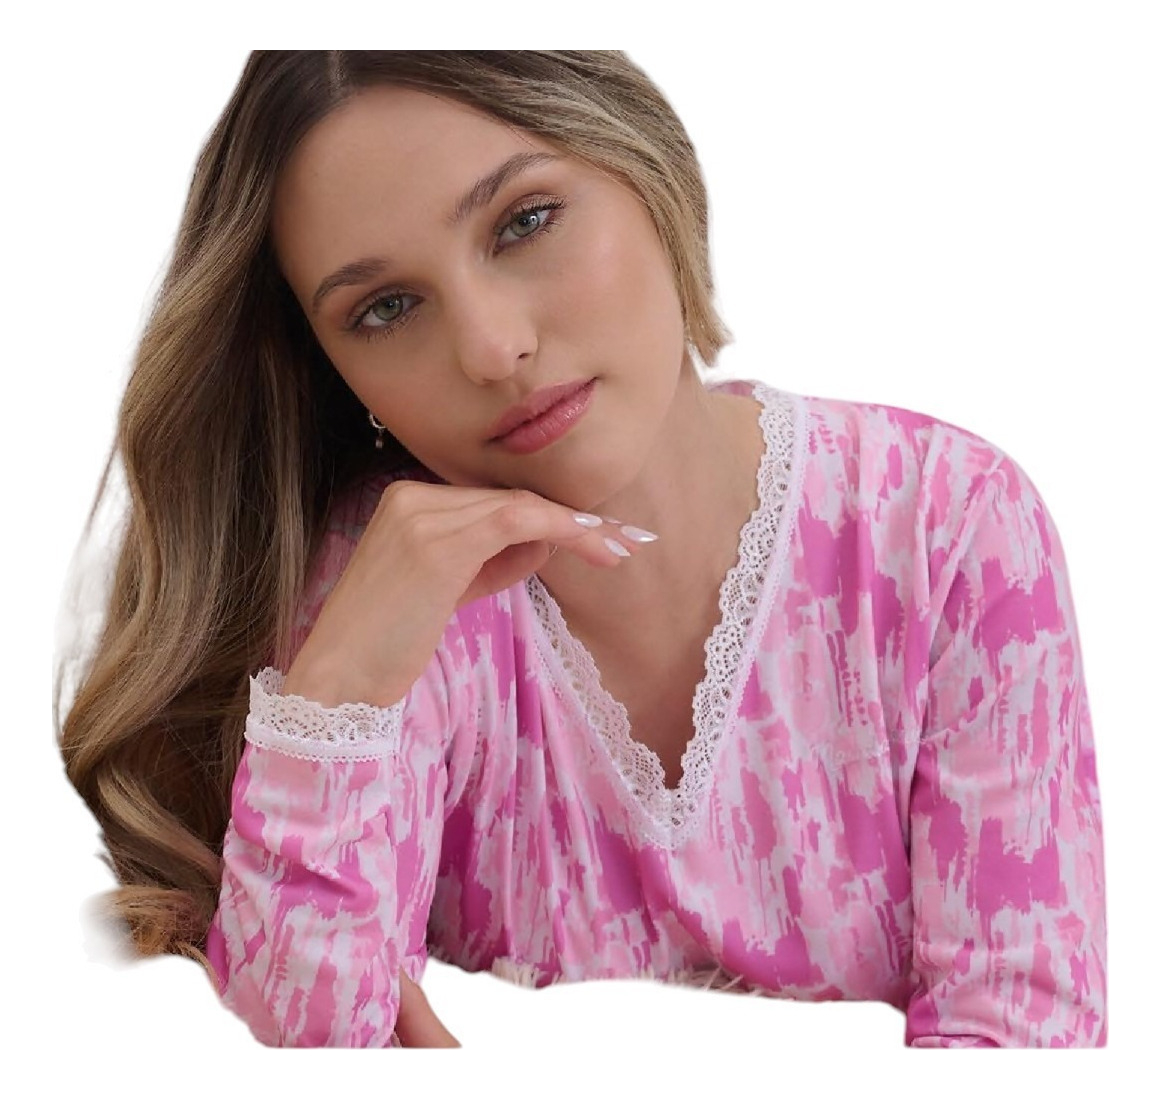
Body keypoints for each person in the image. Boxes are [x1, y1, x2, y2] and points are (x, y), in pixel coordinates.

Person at [53, 50, 1108, 1048]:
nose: (492, 347)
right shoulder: (379, 598)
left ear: (646, 168)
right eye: (386, 308)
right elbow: (299, 1050)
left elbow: (1028, 1039)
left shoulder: (947, 524)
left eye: (525, 221)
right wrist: (335, 694)